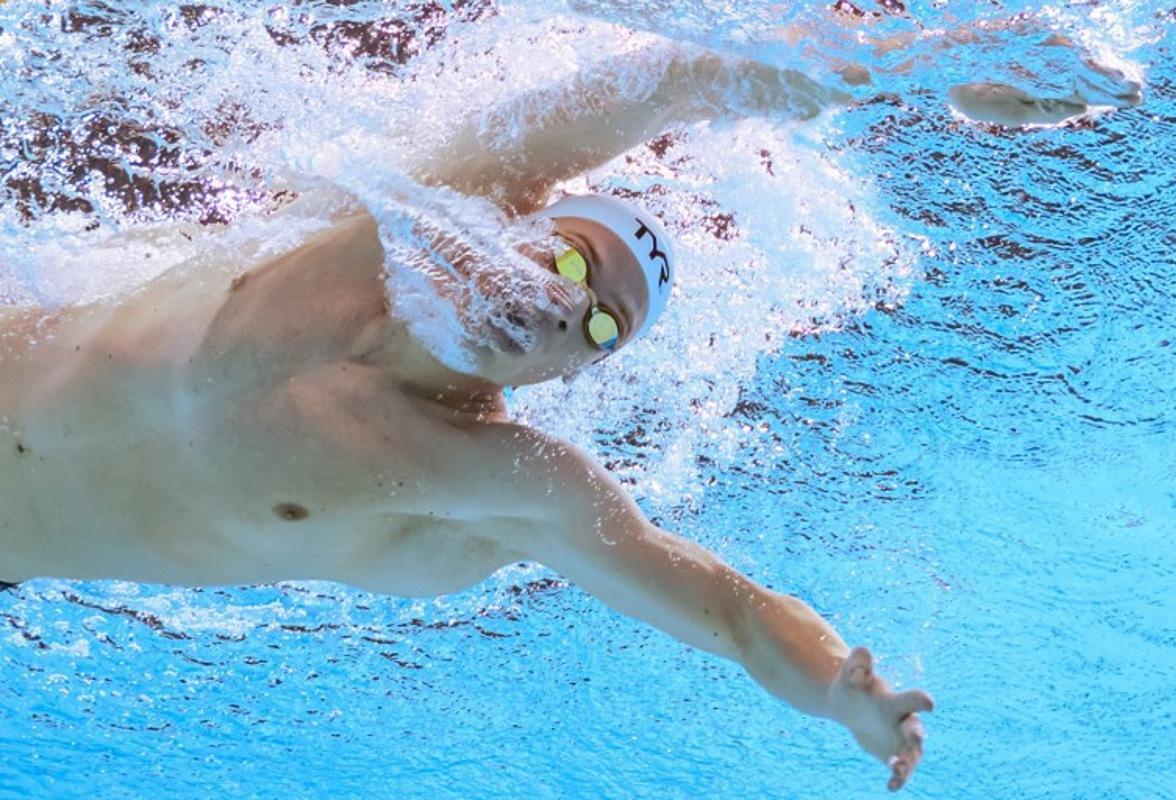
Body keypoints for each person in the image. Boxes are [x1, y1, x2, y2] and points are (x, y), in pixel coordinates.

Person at [0, 35, 942, 790]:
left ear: (579, 371)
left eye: (602, 325)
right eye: (574, 261)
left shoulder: (492, 475)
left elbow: (730, 611)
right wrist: (850, 62)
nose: (573, 302)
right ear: (521, 222)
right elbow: (653, 89)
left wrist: (837, 694)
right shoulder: (377, 225)